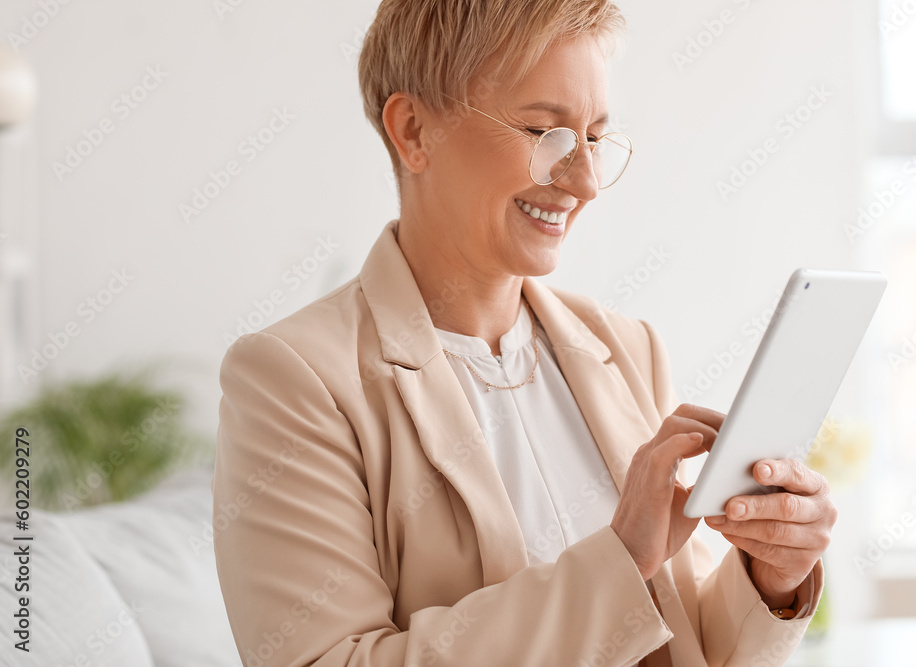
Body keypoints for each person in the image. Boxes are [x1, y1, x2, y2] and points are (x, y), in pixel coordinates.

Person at [211, 1, 836, 665]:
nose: (586, 181)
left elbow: (686, 639)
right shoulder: (294, 378)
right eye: (545, 132)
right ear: (414, 129)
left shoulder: (627, 348)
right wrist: (619, 559)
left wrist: (771, 576)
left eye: (594, 138)